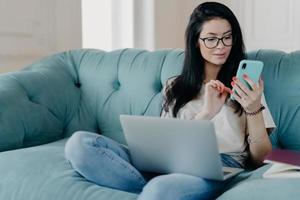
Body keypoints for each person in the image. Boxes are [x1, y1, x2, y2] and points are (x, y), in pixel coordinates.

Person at [64, 2, 276, 199]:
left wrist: (253, 108)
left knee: (161, 189)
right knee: (79, 144)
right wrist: (206, 114)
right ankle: (151, 189)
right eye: (211, 39)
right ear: (196, 41)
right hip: (169, 161)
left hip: (220, 163)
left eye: (227, 37)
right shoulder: (174, 86)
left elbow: (261, 159)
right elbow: (171, 142)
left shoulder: (247, 86)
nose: (221, 46)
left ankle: (158, 190)